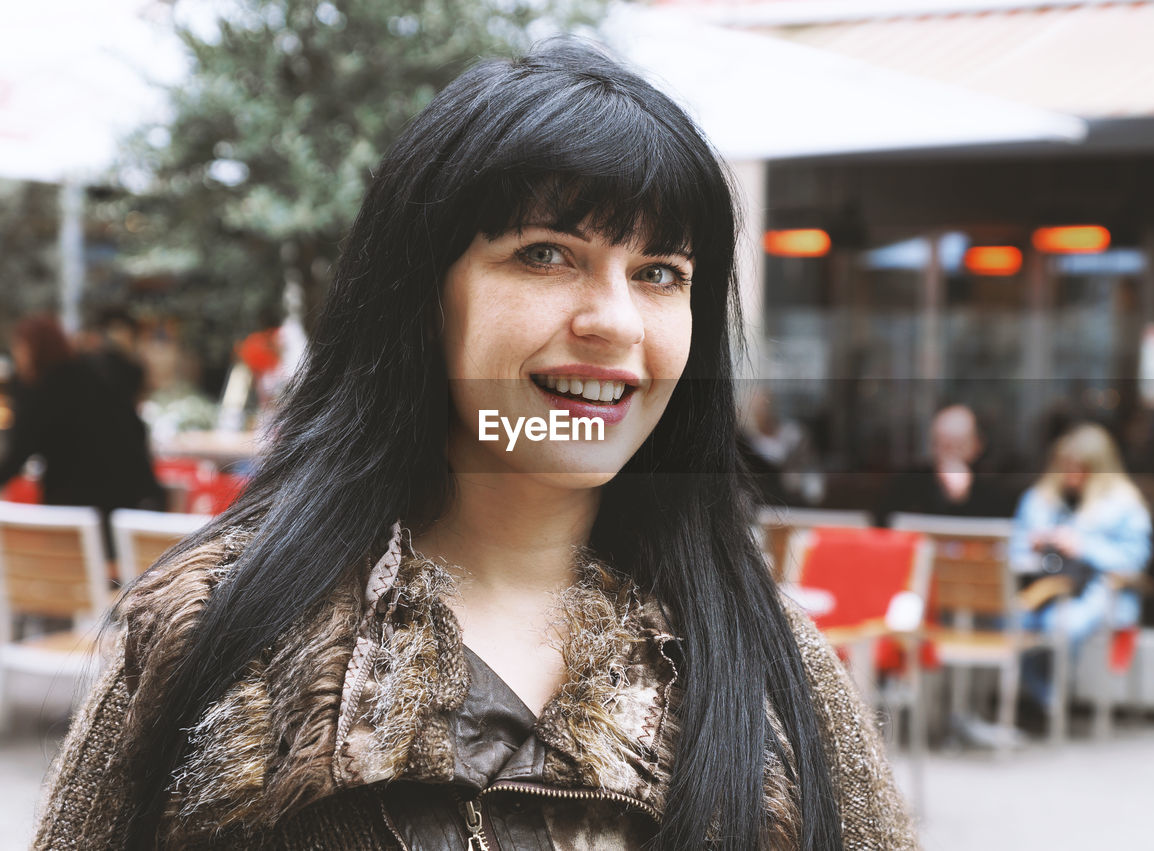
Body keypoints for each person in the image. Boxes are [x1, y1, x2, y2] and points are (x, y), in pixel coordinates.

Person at [36, 43, 917, 850]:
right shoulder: (212, 627)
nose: (613, 321)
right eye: (545, 254)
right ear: (423, 298)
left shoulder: (769, 658)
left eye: (660, 273)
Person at [1010, 422, 1153, 706]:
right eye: (1066, 465)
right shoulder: (1039, 499)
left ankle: (1051, 702)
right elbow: (1013, 550)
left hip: (1098, 590)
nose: (1071, 474)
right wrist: (1035, 545)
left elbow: (1135, 561)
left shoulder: (1124, 503)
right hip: (1040, 587)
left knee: (1061, 623)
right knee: (1009, 622)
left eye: (1080, 467)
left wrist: (1083, 547)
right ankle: (1041, 700)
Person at [0, 315, 162, 519]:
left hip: (78, 504)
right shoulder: (94, 372)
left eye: (19, 348)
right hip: (130, 495)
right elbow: (135, 427)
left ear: (33, 349)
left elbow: (19, 452)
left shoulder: (42, 390)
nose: (17, 357)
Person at [876, 403, 1013, 526]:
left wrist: (962, 498)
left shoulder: (993, 490)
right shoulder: (909, 482)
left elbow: (997, 533)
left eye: (958, 446)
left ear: (977, 446)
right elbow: (885, 523)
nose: (948, 454)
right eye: (941, 444)